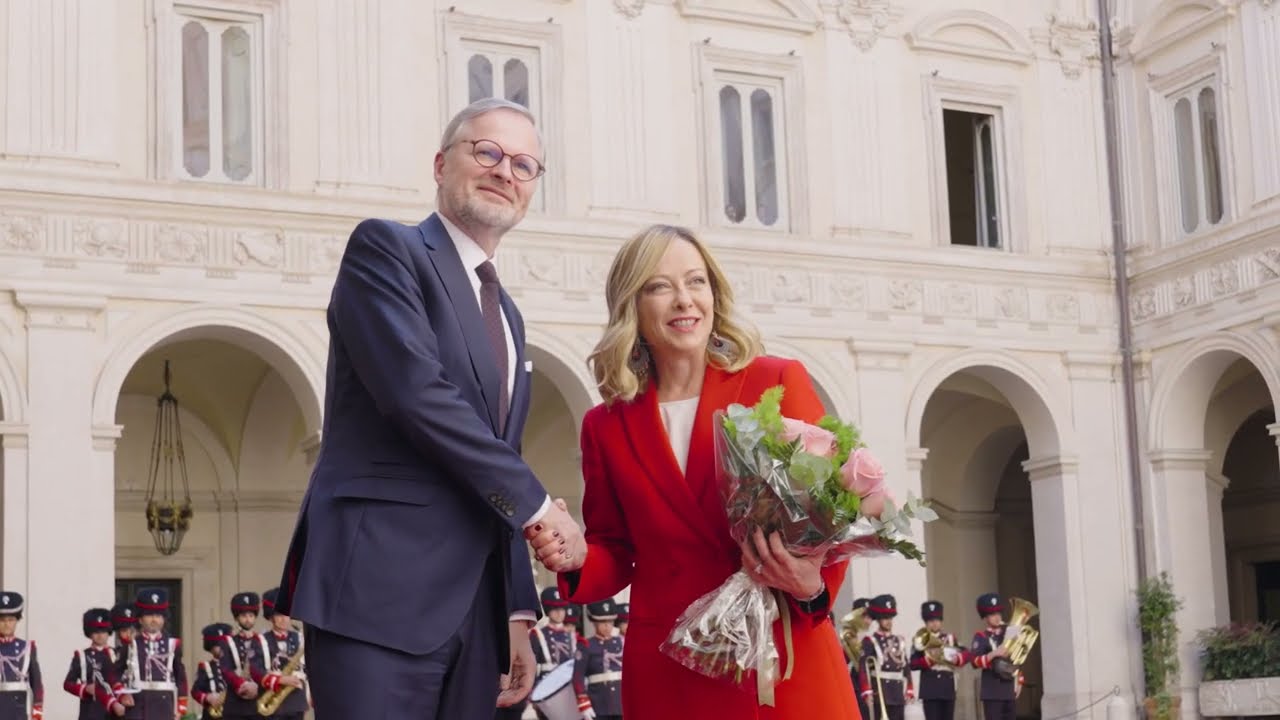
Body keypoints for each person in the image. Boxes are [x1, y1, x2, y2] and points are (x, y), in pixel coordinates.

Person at [275, 96, 585, 720]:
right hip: (377, 592)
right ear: (442, 164)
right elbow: (417, 394)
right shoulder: (387, 251)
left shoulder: (509, 314)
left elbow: (499, 454)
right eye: (488, 152)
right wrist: (540, 509)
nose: (505, 172)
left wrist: (518, 612)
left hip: (476, 611)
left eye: (524, 165)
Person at [555, 224, 858, 718]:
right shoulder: (605, 426)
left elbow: (836, 508)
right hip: (672, 670)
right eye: (659, 286)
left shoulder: (775, 381)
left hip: (783, 661)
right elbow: (615, 550)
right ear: (632, 303)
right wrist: (573, 555)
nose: (683, 300)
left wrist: (812, 587)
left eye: (696, 282)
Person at [526, 588, 591, 720]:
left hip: (569, 690)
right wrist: (532, 693)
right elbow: (530, 666)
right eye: (555, 609)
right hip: (546, 691)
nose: (559, 613)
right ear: (548, 610)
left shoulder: (573, 636)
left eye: (562, 609)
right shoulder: (537, 635)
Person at [123, 589, 187, 719]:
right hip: (137, 705)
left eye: (158, 616)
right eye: (150, 615)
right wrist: (121, 694)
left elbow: (180, 677)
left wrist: (181, 707)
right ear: (140, 619)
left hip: (164, 705)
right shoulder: (131, 644)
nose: (154, 620)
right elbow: (115, 673)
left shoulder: (173, 644)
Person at [909, 601, 969, 720]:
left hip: (947, 688)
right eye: (931, 621)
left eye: (937, 620)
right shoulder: (921, 640)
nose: (934, 623)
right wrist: (930, 659)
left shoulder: (950, 638)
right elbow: (913, 664)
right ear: (926, 622)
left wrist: (958, 658)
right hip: (930, 690)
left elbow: (967, 653)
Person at [858, 595, 913, 720]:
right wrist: (866, 690)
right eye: (885, 618)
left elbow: (906, 666)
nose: (888, 621)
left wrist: (909, 688)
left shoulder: (899, 640)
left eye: (890, 618)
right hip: (882, 692)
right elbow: (863, 667)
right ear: (878, 620)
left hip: (897, 692)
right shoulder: (870, 641)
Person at [64, 608, 125, 719]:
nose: (100, 635)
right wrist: (85, 689)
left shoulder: (117, 654)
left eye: (103, 631)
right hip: (90, 710)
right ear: (90, 633)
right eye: (96, 632)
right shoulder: (81, 656)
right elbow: (68, 684)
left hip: (114, 711)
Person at [255, 589, 306, 719]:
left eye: (287, 615)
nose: (284, 620)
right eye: (279, 615)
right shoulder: (261, 640)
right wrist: (280, 680)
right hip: (272, 702)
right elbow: (255, 670)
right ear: (271, 617)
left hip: (296, 702)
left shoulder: (300, 638)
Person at [969, 593, 1020, 720]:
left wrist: (1020, 679)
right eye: (992, 614)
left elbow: (1016, 659)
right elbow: (974, 662)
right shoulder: (981, 637)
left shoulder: (1007, 634)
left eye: (998, 613)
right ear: (985, 617)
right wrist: (994, 653)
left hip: (1008, 690)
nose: (997, 617)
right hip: (992, 693)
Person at [575, 600, 623, 720]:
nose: (607, 626)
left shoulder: (621, 642)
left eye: (610, 621)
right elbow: (577, 677)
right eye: (602, 622)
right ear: (594, 622)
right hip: (598, 704)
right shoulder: (586, 645)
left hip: (621, 702)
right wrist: (584, 704)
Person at [218, 592, 262, 719]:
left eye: (251, 615)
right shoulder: (227, 642)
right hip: (235, 703)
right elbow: (225, 669)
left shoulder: (263, 640)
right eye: (243, 616)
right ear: (237, 618)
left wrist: (256, 686)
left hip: (258, 701)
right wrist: (242, 684)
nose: (248, 619)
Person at [0, 592, 41, 720]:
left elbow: (37, 684)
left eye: (11, 620)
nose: (6, 624)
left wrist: (37, 714)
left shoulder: (27, 648)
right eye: (2, 620)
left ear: (17, 620)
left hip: (18, 711)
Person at [190, 623, 231, 719]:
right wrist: (208, 697)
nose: (222, 648)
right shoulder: (205, 667)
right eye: (218, 645)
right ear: (210, 647)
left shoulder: (235, 666)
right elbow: (195, 691)